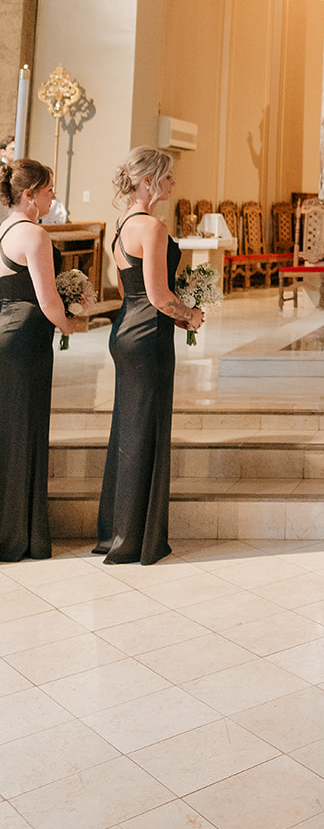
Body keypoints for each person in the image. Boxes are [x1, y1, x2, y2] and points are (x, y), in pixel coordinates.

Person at [95, 147, 203, 566]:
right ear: (148, 182)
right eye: (169, 177)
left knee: (128, 430)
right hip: (148, 339)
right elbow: (159, 296)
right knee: (147, 432)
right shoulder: (152, 227)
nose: (174, 183)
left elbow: (128, 290)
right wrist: (189, 315)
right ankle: (136, 539)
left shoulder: (122, 224)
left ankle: (116, 530)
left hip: (126, 330)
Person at [0, 159, 84, 561]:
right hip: (27, 340)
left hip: (4, 335)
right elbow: (47, 299)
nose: (54, 196)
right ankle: (21, 534)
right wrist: (70, 323)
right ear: (30, 194)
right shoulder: (34, 235)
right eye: (49, 190)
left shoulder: (3, 230)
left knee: (7, 432)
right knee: (25, 432)